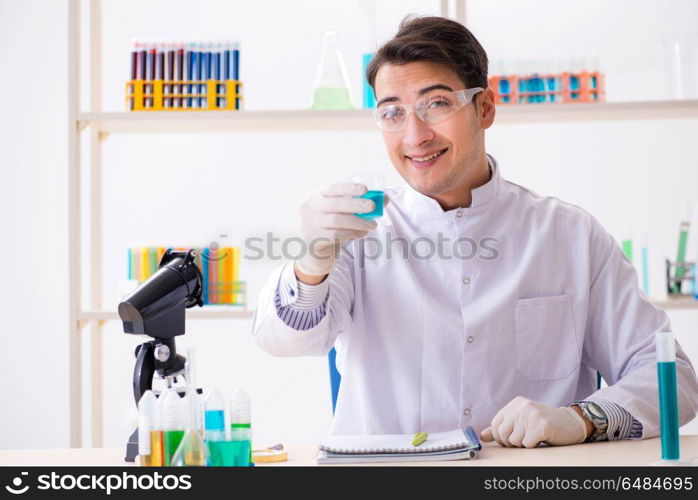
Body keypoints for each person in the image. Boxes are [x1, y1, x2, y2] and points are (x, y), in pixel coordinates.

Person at [252, 15, 698, 447]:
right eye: (392, 113)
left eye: (437, 104)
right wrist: (312, 262)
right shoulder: (358, 232)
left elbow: (672, 378)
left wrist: (581, 418)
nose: (415, 135)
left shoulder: (570, 235)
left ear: (484, 108)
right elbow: (284, 341)